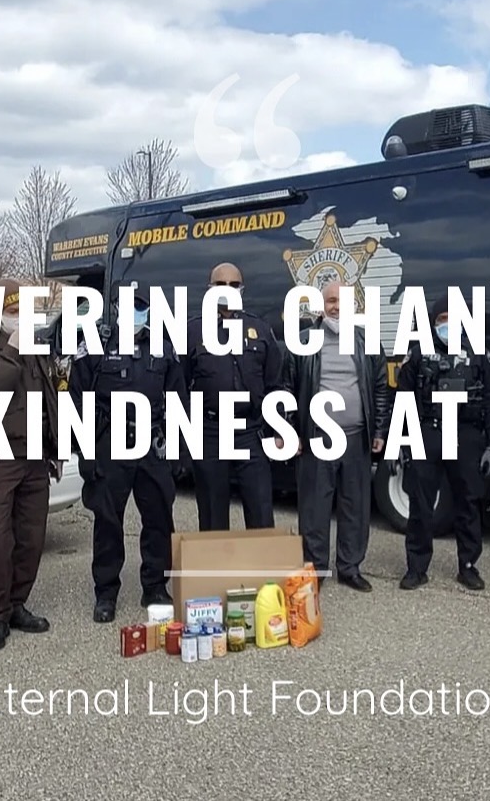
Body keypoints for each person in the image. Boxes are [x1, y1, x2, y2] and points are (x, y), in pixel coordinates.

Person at [69, 282, 186, 623]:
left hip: (152, 445)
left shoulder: (165, 347)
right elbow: (78, 401)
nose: (136, 313)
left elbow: (178, 400)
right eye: (130, 306)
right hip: (110, 444)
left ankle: (154, 586)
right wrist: (85, 451)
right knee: (107, 521)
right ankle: (106, 592)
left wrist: (178, 450)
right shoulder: (94, 345)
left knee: (159, 518)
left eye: (142, 306)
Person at [0, 278, 62, 651]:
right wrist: (11, 352)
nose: (19, 318)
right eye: (11, 312)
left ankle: (18, 603)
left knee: (31, 537)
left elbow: (51, 391)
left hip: (36, 455)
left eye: (23, 311)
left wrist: (57, 442)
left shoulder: (36, 343)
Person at [281, 280, 393, 591]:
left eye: (343, 301)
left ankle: (350, 567)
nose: (337, 307)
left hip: (357, 438)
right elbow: (287, 389)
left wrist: (380, 430)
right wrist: (291, 431)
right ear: (321, 306)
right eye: (331, 301)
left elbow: (381, 389)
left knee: (355, 507)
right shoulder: (301, 342)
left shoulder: (367, 341)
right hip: (317, 439)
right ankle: (315, 570)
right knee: (315, 509)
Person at [397, 292, 490, 591]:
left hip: (466, 435)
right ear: (433, 322)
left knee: (468, 503)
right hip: (428, 433)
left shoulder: (479, 353)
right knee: (420, 504)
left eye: (453, 319)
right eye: (442, 320)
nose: (448, 325)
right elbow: (403, 398)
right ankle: (416, 568)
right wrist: (403, 443)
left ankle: (468, 566)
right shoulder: (418, 353)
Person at [183, 262, 284, 531]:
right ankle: (219, 573)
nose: (227, 290)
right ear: (209, 290)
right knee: (213, 515)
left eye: (233, 285)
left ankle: (262, 574)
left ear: (242, 289)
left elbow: (275, 383)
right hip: (210, 431)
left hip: (250, 431)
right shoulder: (192, 331)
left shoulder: (260, 329)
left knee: (261, 511)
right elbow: (178, 387)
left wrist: (280, 428)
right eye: (220, 285)